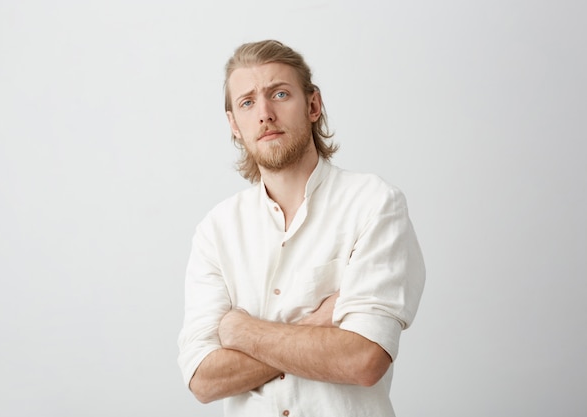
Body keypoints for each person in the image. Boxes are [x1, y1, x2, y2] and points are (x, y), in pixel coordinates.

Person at [177, 39, 426, 417]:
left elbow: (363, 359)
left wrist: (240, 332)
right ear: (234, 125)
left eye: (279, 94)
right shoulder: (217, 231)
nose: (265, 113)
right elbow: (203, 380)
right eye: (247, 102)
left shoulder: (374, 204)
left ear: (313, 105)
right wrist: (318, 322)